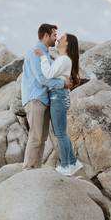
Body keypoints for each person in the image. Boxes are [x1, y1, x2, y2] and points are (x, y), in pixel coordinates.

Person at [37, 33, 85, 176]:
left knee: (60, 134)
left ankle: (65, 166)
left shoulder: (64, 59)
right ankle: (73, 162)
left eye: (61, 38)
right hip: (60, 96)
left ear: (67, 44)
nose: (57, 39)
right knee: (62, 133)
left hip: (58, 97)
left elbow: (48, 74)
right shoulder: (64, 59)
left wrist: (42, 57)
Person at [21, 23, 66, 169]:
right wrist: (62, 84)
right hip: (35, 99)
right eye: (54, 35)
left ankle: (36, 169)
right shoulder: (35, 52)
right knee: (35, 137)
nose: (56, 38)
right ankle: (28, 169)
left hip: (44, 99)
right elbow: (42, 78)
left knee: (42, 138)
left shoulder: (45, 53)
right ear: (46, 35)